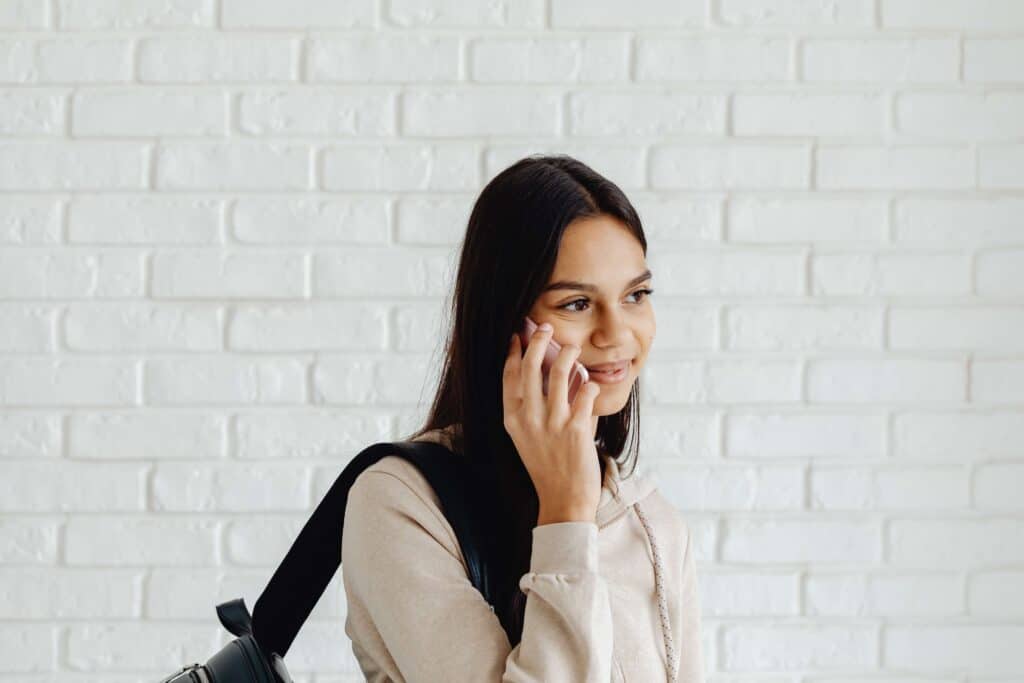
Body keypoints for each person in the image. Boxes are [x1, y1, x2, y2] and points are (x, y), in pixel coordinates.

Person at [340, 155, 705, 682]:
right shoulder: (401, 503)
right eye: (577, 304)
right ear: (504, 322)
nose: (616, 333)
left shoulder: (655, 525)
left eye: (636, 295)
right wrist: (565, 515)